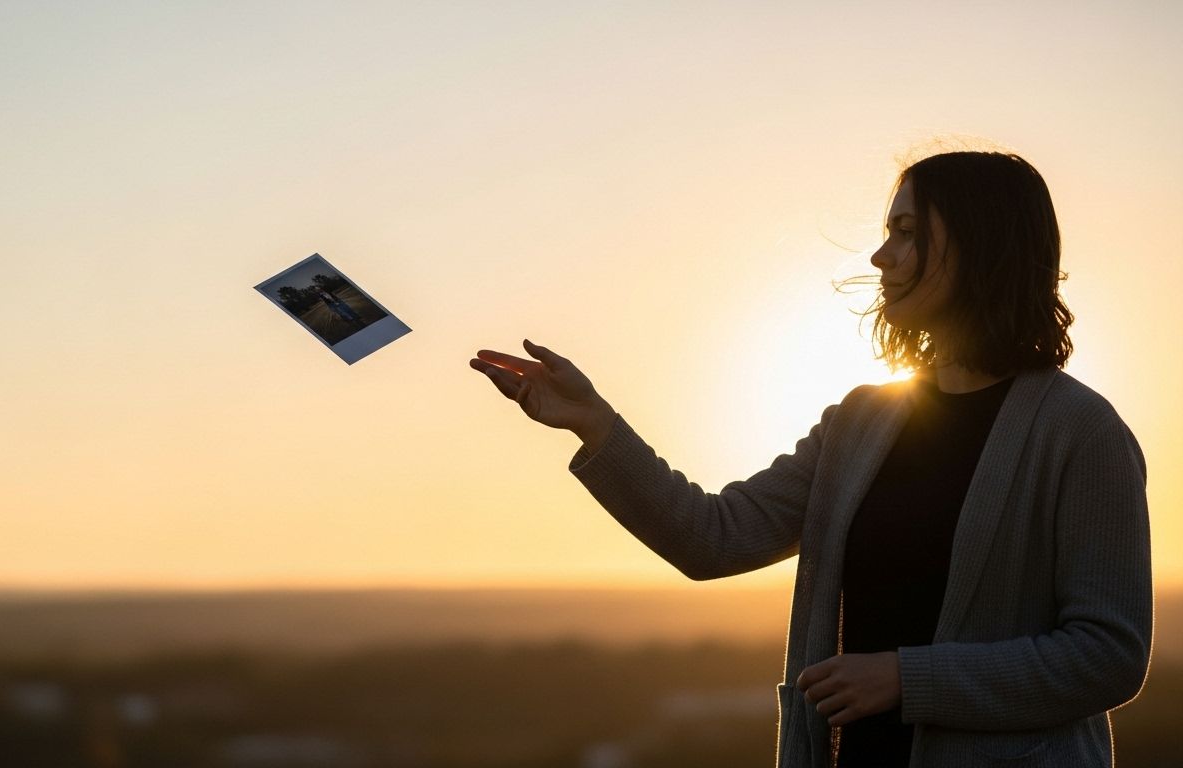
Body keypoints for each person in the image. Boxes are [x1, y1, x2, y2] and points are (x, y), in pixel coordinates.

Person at [469, 151, 1150, 767]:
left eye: (909, 232)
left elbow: (1108, 656)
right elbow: (714, 537)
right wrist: (595, 424)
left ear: (983, 243)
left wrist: (907, 679)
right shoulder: (863, 422)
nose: (882, 257)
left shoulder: (1080, 433)